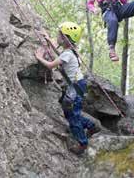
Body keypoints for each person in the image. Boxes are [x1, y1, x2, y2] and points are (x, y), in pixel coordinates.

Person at [35, 22, 97, 155]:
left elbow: (51, 65)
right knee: (70, 111)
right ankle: (91, 126)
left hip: (75, 86)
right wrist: (48, 39)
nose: (57, 37)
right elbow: (59, 53)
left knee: (72, 116)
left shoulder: (67, 54)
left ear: (66, 39)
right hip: (78, 84)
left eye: (59, 35)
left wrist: (39, 57)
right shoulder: (71, 51)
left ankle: (82, 143)